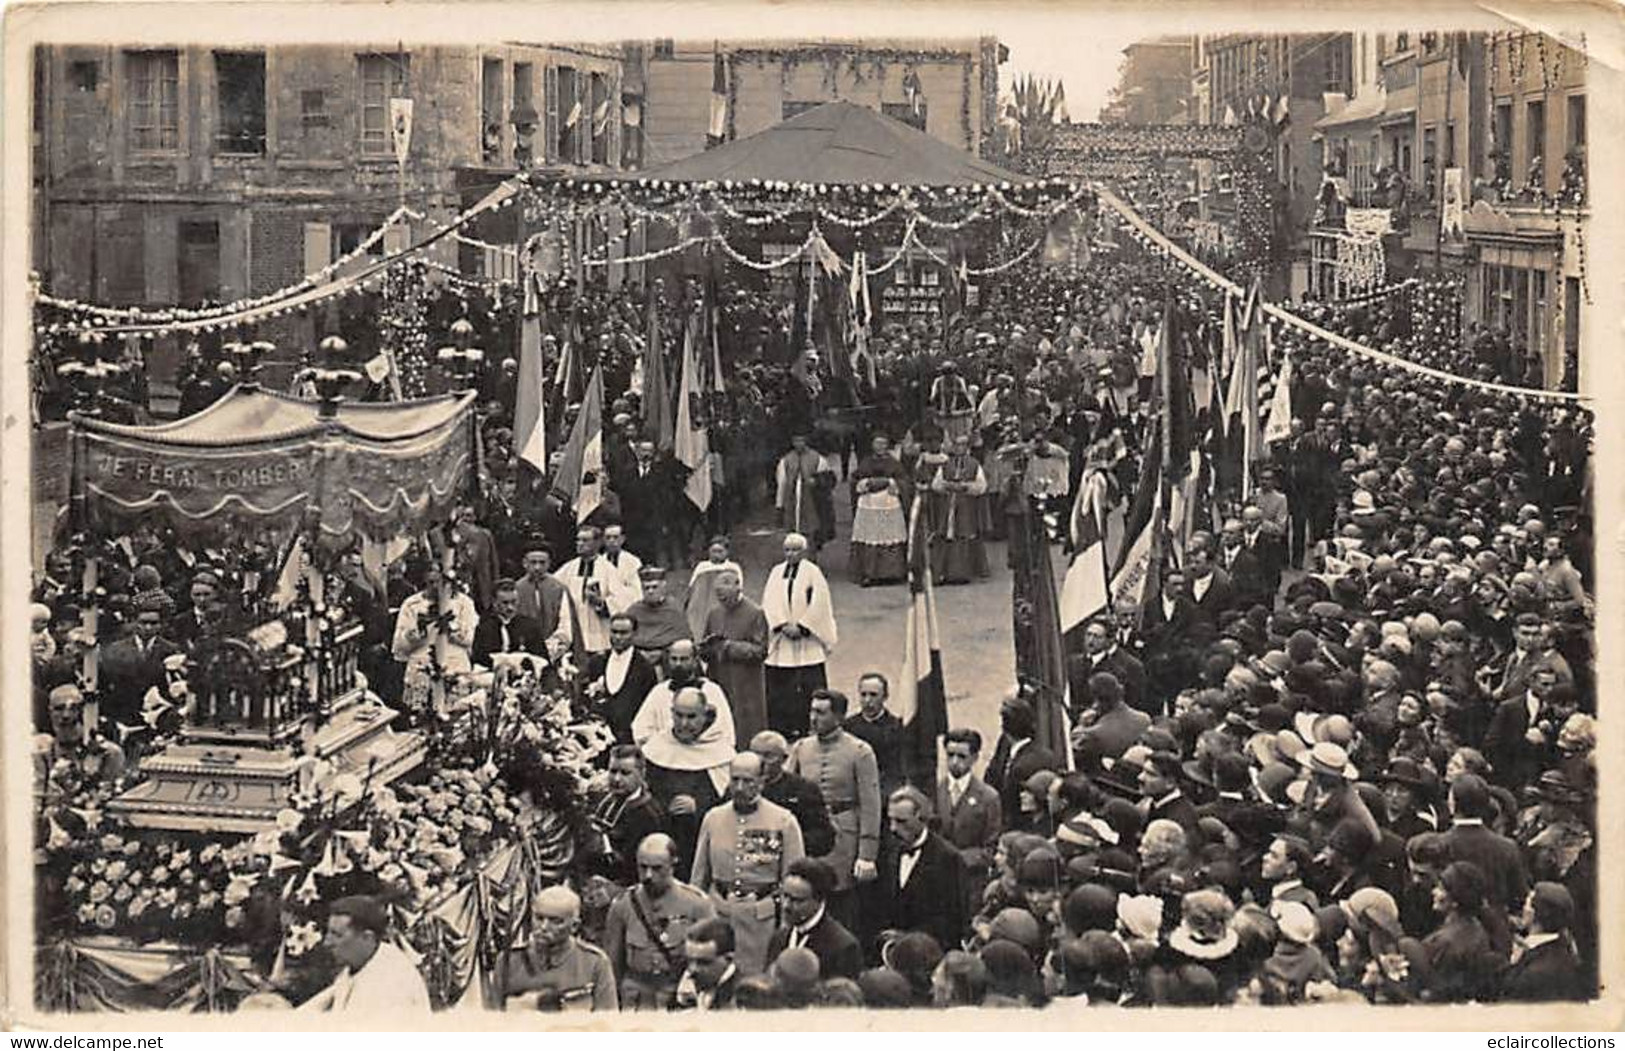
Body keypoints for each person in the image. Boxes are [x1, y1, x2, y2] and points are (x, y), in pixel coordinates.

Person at [691, 752, 807, 976]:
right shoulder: (713, 818)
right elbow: (699, 876)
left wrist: (786, 927)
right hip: (718, 913)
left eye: (748, 781)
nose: (740, 787)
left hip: (760, 919)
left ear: (762, 782)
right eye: (735, 779)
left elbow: (793, 881)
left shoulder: (783, 821)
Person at [788, 690, 882, 932]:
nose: (813, 718)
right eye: (812, 711)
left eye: (821, 712)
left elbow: (871, 804)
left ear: (839, 717)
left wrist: (867, 854)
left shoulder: (860, 751)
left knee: (840, 903)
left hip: (844, 838)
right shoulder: (801, 748)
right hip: (809, 834)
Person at [603, 834, 717, 1011]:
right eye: (643, 867)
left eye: (657, 868)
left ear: (673, 865)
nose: (648, 875)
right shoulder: (623, 905)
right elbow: (613, 966)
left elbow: (712, 962)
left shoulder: (698, 905)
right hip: (635, 1004)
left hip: (678, 1000)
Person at [642, 687, 735, 872]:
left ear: (704, 716)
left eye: (691, 717)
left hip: (704, 840)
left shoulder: (720, 751)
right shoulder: (656, 748)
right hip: (662, 837)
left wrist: (698, 806)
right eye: (678, 715)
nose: (684, 723)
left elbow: (727, 801)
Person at [867, 786, 965, 959]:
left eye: (901, 821)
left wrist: (908, 939)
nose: (893, 828)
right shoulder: (887, 852)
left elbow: (952, 920)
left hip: (928, 956)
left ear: (922, 819)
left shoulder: (947, 859)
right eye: (890, 820)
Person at [492, 886, 618, 1012]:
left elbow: (607, 1023)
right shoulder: (509, 961)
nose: (544, 927)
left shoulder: (594, 963)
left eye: (555, 921)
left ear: (574, 926)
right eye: (539, 918)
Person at [762, 533, 838, 737]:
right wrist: (781, 624)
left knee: (809, 686)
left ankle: (811, 726)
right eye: (787, 550)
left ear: (803, 552)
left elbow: (820, 603)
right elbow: (769, 600)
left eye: (795, 550)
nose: (790, 554)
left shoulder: (813, 572)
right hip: (783, 639)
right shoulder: (776, 572)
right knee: (781, 689)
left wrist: (803, 627)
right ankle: (784, 728)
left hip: (807, 640)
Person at [300, 895, 430, 1013]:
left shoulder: (388, 985)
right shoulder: (365, 960)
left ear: (367, 937)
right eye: (329, 933)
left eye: (337, 935)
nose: (327, 942)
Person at [391, 558, 477, 715]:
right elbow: (399, 649)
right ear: (424, 579)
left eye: (441, 582)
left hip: (455, 668)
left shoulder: (464, 604)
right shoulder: (412, 604)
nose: (436, 587)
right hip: (422, 669)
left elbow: (469, 639)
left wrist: (449, 627)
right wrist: (419, 633)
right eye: (431, 582)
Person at [934, 728, 1002, 914]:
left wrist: (959, 858)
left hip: (971, 883)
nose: (954, 762)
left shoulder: (988, 797)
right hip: (938, 881)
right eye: (950, 755)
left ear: (974, 758)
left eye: (962, 756)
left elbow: (991, 847)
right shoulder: (935, 791)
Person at [700, 567, 769, 747]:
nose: (720, 598)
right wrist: (706, 648)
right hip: (719, 676)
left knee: (745, 727)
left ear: (738, 587)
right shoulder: (714, 613)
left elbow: (760, 650)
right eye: (717, 594)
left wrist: (729, 647)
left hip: (745, 682)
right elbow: (706, 642)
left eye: (723, 594)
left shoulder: (755, 613)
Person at [769, 857, 864, 981]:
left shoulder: (843, 947)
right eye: (785, 896)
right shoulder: (779, 938)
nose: (786, 905)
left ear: (819, 900)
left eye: (797, 901)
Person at [584, 746, 667, 885]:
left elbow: (637, 868)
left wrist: (603, 846)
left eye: (625, 773)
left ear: (642, 774)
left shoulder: (648, 815)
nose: (616, 779)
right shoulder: (603, 798)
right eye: (613, 771)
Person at [631, 640, 735, 750]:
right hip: (666, 757)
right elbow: (641, 729)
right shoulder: (659, 692)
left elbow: (724, 732)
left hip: (703, 757)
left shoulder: (711, 691)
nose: (678, 664)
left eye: (684, 659)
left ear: (695, 661)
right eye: (674, 659)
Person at [554, 525, 638, 655]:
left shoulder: (608, 569)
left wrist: (600, 603)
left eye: (585, 540)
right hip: (574, 629)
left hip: (599, 632)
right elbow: (554, 588)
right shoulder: (569, 568)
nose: (580, 544)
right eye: (578, 540)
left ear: (597, 543)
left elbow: (621, 600)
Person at [751, 730, 837, 858]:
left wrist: (786, 841)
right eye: (755, 755)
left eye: (768, 756)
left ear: (784, 759)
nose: (760, 762)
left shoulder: (803, 789)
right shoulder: (738, 788)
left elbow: (823, 837)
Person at [983, 694, 1061, 830]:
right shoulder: (1045, 753)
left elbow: (1010, 806)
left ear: (1005, 729)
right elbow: (991, 774)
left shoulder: (1020, 768)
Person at [583, 614, 659, 745]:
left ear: (634, 634)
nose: (618, 637)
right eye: (614, 632)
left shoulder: (644, 668)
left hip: (630, 739)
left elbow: (650, 707)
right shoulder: (597, 662)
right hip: (598, 739)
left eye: (624, 633)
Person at [1502, 882, 1585, 1001]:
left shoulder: (1533, 974)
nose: (1523, 908)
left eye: (1527, 903)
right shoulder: (1563, 950)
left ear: (1534, 913)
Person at [848, 434, 910, 586]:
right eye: (877, 443)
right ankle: (869, 573)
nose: (880, 447)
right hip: (869, 504)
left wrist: (890, 482)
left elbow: (904, 481)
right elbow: (855, 479)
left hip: (889, 503)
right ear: (872, 445)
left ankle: (892, 573)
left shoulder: (894, 463)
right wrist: (866, 483)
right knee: (870, 536)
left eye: (883, 444)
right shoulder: (866, 462)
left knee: (890, 537)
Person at [928, 434, 990, 584]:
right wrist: (947, 486)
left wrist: (965, 487)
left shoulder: (974, 464)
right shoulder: (945, 464)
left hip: (966, 505)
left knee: (964, 535)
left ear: (967, 447)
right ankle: (943, 572)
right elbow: (936, 484)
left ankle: (961, 573)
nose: (959, 448)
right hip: (948, 505)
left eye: (962, 445)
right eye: (957, 445)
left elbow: (982, 486)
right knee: (945, 536)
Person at [843, 672, 909, 795]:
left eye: (873, 695)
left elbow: (898, 770)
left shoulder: (896, 728)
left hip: (886, 792)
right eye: (863, 695)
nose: (867, 700)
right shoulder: (847, 727)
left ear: (885, 697)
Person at [514, 545, 577, 657]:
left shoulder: (558, 588)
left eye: (542, 563)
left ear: (549, 564)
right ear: (525, 563)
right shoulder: (517, 589)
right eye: (533, 562)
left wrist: (555, 643)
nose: (537, 567)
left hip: (554, 647)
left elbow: (565, 620)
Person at [776, 434, 834, 551]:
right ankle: (794, 554)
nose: (799, 443)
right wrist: (780, 505)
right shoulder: (786, 460)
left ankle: (810, 556)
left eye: (801, 440)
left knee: (811, 528)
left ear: (806, 441)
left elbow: (828, 480)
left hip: (812, 501)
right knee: (792, 529)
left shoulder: (817, 459)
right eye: (796, 440)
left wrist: (816, 481)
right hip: (792, 501)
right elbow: (781, 484)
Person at [624, 566, 691, 668]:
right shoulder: (633, 610)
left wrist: (662, 654)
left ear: (663, 588)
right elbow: (625, 638)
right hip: (637, 661)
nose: (650, 591)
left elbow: (683, 639)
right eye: (646, 588)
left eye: (654, 587)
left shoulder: (674, 609)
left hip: (667, 661)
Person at [674, 917, 744, 1010]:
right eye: (689, 961)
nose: (693, 969)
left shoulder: (745, 996)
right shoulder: (683, 987)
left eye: (703, 962)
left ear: (728, 959)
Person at [471, 578, 545, 666]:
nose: (510, 607)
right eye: (505, 603)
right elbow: (478, 661)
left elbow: (543, 660)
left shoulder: (530, 627)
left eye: (514, 602)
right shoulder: (484, 629)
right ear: (494, 603)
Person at [686, 536, 745, 640]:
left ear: (727, 552)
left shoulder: (733, 568)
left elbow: (739, 589)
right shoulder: (702, 567)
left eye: (720, 551)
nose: (716, 554)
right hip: (703, 607)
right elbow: (692, 588)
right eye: (713, 551)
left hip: (724, 605)